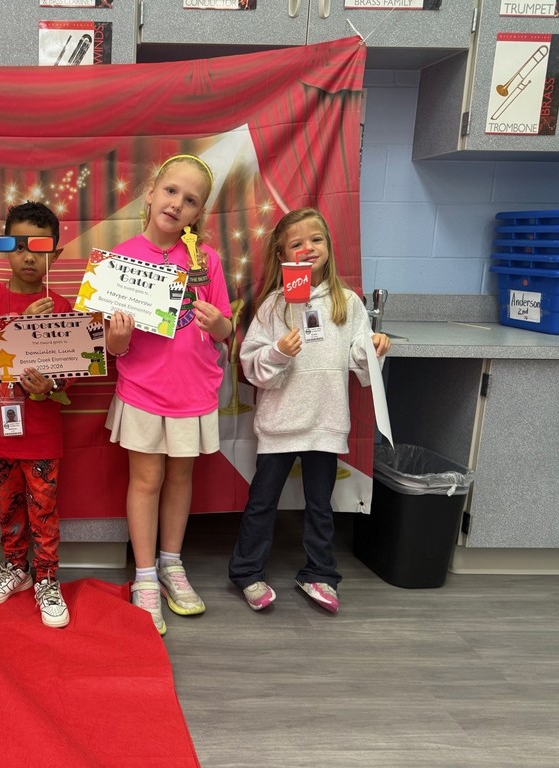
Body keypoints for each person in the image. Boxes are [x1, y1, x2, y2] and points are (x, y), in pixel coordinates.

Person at [228, 207, 391, 614]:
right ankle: (247, 572)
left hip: (325, 421)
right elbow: (252, 366)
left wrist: (373, 348)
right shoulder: (272, 306)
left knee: (321, 505)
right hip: (280, 424)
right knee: (262, 503)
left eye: (316, 240)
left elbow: (359, 362)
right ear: (282, 253)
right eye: (297, 243)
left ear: (329, 246)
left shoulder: (347, 303)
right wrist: (278, 352)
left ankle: (320, 573)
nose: (308, 248)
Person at [104, 155, 233, 635]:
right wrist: (118, 337)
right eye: (171, 191)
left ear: (199, 213)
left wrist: (218, 325)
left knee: (180, 479)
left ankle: (171, 564)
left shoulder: (206, 260)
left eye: (191, 200)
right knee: (146, 480)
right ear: (151, 193)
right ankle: (144, 576)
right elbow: (112, 347)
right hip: (143, 390)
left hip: (193, 391)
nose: (178, 204)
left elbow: (225, 328)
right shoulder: (120, 259)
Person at [0, 202, 73, 628]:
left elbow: (70, 375)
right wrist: (17, 325)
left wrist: (49, 387)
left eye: (39, 247)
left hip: (43, 431)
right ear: (5, 249)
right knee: (8, 505)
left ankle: (47, 578)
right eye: (18, 246)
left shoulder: (63, 306)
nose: (28, 256)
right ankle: (17, 567)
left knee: (44, 509)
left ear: (55, 253)